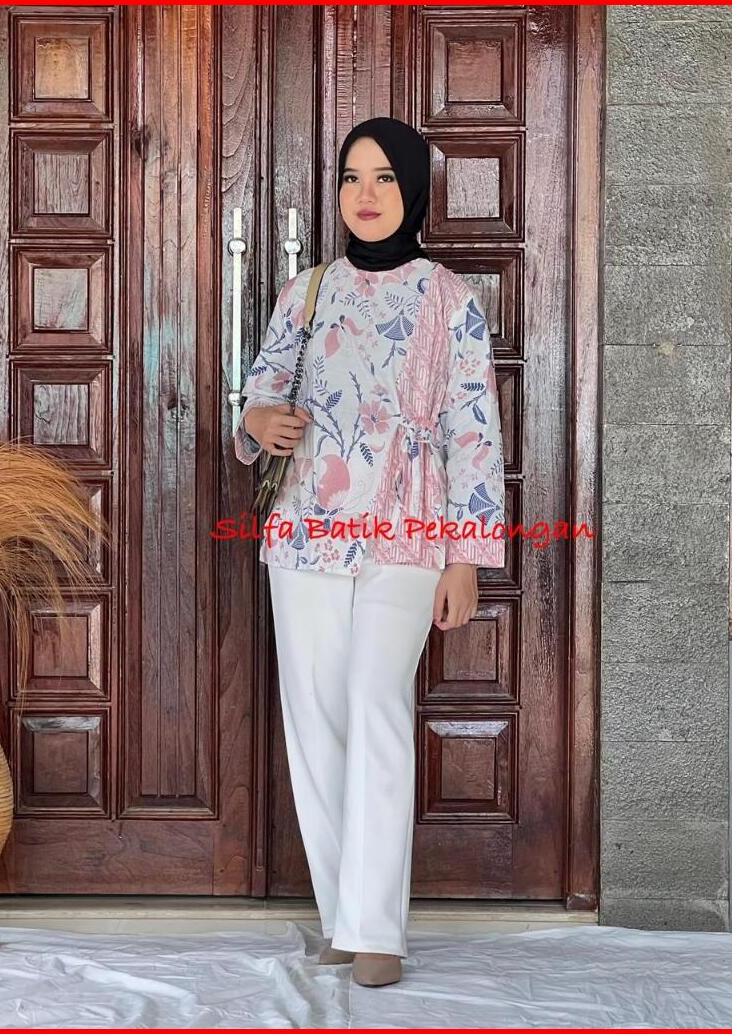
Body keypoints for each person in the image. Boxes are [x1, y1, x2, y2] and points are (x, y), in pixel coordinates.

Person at [233, 117, 505, 988]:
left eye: (385, 177)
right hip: (305, 532)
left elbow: (474, 433)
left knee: (375, 702)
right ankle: (343, 918)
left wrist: (466, 556)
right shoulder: (305, 292)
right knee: (315, 720)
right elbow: (259, 396)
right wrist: (258, 421)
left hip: (409, 530)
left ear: (413, 189)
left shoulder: (451, 301)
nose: (366, 193)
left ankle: (379, 929)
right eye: (353, 176)